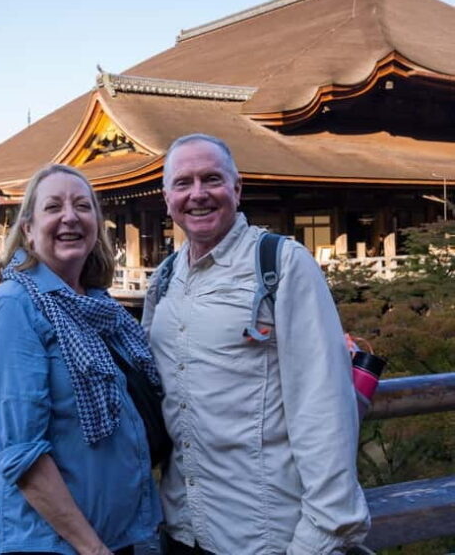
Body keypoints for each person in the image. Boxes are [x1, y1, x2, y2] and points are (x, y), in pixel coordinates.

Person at [142, 134, 371, 555]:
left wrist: (324, 532)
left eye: (212, 179)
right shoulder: (164, 278)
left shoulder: (281, 264)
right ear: (166, 197)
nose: (198, 194)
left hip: (264, 533)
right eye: (183, 183)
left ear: (237, 188)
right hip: (181, 526)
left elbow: (323, 407)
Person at [0, 163, 162, 555]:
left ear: (97, 224)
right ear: (27, 228)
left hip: (123, 534)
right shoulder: (14, 307)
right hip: (57, 544)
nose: (70, 217)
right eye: (53, 207)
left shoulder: (100, 308)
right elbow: (21, 451)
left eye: (82, 206)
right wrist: (92, 549)